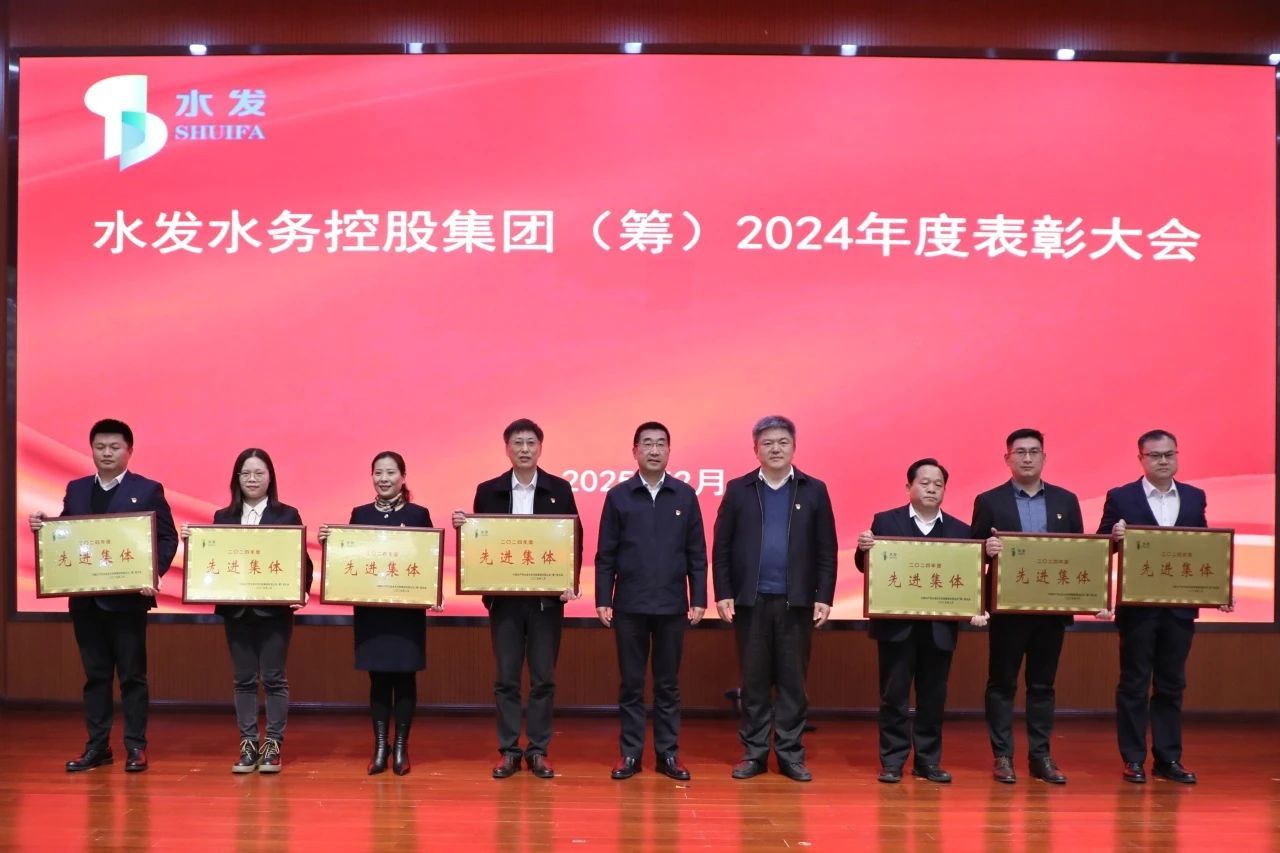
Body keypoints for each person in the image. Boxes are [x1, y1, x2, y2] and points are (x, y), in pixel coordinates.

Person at [29, 419, 178, 773]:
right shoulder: (77, 489)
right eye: (100, 447)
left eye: (114, 447)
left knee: (132, 677)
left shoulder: (147, 489)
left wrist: (152, 573)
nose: (106, 453)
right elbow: (68, 533)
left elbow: (167, 537)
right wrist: (45, 527)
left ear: (129, 451)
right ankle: (97, 747)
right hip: (86, 601)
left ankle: (136, 747)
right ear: (92, 450)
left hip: (128, 601)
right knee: (95, 676)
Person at [1098, 429, 1230, 785]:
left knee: (1172, 684)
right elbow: (1101, 544)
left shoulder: (1194, 496)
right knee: (1134, 684)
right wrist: (1114, 537)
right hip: (1138, 609)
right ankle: (1133, 759)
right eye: (1155, 455)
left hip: (1179, 609)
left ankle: (1168, 758)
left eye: (1169, 454)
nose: (1163, 461)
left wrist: (1219, 589)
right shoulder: (1121, 496)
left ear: (1177, 456)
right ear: (1140, 458)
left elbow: (1204, 547)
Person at [452, 418, 580, 779]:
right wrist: (464, 528)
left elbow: (574, 537)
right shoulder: (488, 491)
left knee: (543, 679)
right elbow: (480, 544)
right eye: (518, 443)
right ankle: (509, 750)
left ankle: (537, 751)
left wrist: (569, 581)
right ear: (507, 448)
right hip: (505, 602)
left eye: (531, 443)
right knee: (506, 678)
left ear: (540, 447)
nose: (525, 449)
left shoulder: (559, 489)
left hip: (545, 603)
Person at [712, 415, 837, 783]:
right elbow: (721, 548)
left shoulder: (814, 490)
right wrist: (723, 592)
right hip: (750, 603)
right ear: (755, 449)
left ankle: (790, 755)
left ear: (794, 447)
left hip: (796, 603)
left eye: (783, 442)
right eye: (767, 443)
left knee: (793, 684)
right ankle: (754, 754)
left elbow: (826, 549)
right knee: (753, 684)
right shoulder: (739, 489)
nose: (776, 448)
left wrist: (824, 595)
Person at [856, 458, 990, 784]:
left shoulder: (961, 530)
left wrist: (978, 605)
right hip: (896, 628)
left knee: (933, 698)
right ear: (909, 487)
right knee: (894, 697)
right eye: (924, 482)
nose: (931, 489)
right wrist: (863, 549)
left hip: (939, 630)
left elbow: (970, 575)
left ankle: (927, 761)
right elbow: (866, 566)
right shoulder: (886, 521)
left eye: (938, 484)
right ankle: (892, 761)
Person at [183, 448, 311, 774]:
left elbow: (302, 561)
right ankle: (248, 743)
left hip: (274, 612)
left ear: (270, 478)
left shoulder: (287, 515)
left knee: (274, 679)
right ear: (236, 478)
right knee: (243, 680)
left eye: (259, 473)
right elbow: (212, 563)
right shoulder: (223, 518)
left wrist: (302, 591)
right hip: (236, 611)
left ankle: (273, 745)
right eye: (246, 473)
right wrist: (195, 544)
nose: (252, 479)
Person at [970, 428, 1084, 785]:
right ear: (1008, 458)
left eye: (1034, 451)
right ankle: (1003, 756)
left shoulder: (1067, 500)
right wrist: (985, 550)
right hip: (1007, 611)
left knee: (1043, 686)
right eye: (1020, 452)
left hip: (1051, 612)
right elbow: (972, 554)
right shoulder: (989, 501)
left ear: (1044, 457)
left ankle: (1041, 757)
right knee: (1002, 684)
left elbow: (1081, 554)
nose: (1028, 458)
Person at [595, 422, 707, 781]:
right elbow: (605, 554)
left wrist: (699, 597)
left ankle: (667, 754)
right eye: (647, 444)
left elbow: (696, 553)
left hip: (672, 605)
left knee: (667, 685)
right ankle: (630, 754)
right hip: (629, 605)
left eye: (661, 444)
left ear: (669, 451)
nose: (654, 450)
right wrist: (603, 597)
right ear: (635, 451)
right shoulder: (618, 496)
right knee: (631, 684)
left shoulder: (685, 495)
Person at [319, 451, 439, 776]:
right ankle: (380, 747)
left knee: (405, 677)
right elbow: (350, 560)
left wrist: (432, 591)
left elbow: (428, 560)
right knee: (379, 680)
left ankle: (401, 747)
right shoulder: (360, 514)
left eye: (390, 473)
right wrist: (330, 544)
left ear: (403, 477)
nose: (384, 479)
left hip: (406, 613)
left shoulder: (418, 514)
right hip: (372, 612)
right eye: (378, 473)